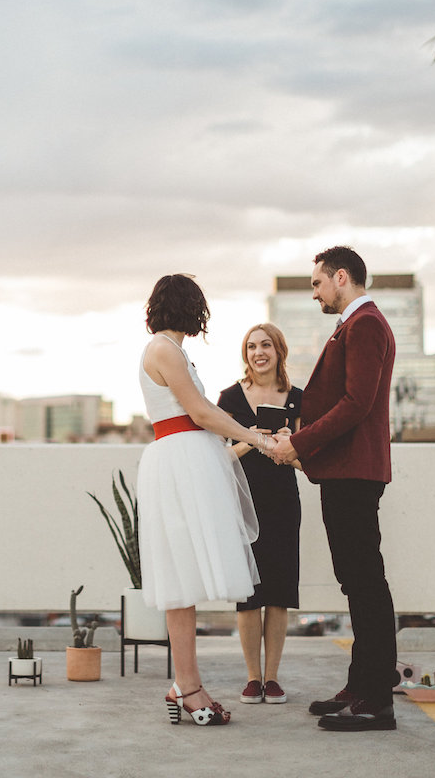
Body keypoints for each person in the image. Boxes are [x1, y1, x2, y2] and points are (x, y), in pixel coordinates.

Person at [137, 274, 278, 727]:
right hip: (181, 462)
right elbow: (199, 412)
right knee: (181, 581)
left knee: (185, 582)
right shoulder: (162, 348)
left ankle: (186, 683)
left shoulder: (171, 349)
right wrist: (253, 436)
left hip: (187, 460)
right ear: (189, 307)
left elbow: (199, 413)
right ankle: (188, 686)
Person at [271, 246, 398, 732]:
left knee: (365, 584)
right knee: (357, 581)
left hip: (353, 472)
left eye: (318, 284)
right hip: (348, 470)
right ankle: (361, 686)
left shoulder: (364, 324)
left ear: (341, 277)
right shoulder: (359, 323)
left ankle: (376, 700)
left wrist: (299, 444)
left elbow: (355, 404)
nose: (316, 293)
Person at [216, 323, 302, 706]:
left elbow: (306, 461)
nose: (258, 352)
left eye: (266, 345)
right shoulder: (230, 398)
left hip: (284, 503)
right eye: (251, 346)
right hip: (242, 501)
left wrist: (287, 443)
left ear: (279, 350)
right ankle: (253, 679)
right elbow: (217, 457)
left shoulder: (299, 398)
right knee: (248, 595)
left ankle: (273, 678)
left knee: (279, 594)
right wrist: (253, 439)